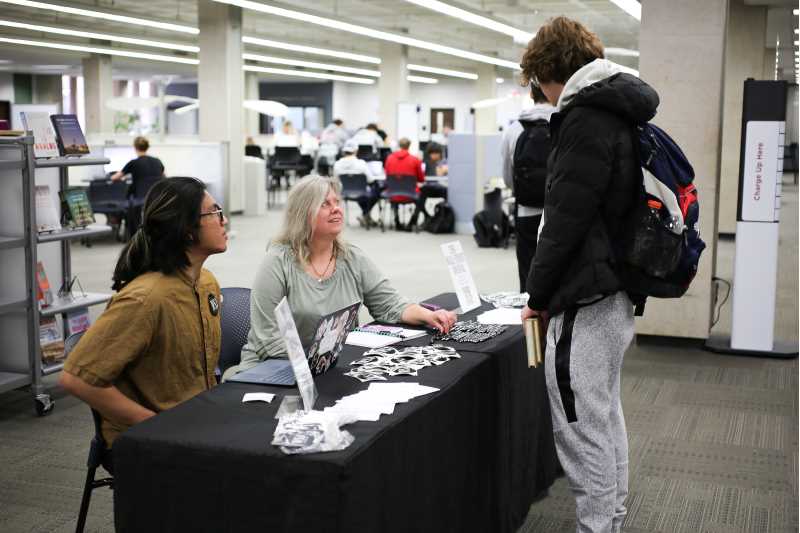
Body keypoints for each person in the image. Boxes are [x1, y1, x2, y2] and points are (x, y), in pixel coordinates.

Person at [519, 16, 659, 533]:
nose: (544, 94)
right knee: (603, 411)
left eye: (541, 82)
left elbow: (564, 222)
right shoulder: (616, 110)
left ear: (553, 69)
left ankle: (599, 524)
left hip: (586, 292)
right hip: (616, 286)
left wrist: (536, 294)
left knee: (581, 421)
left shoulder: (584, 118)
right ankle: (611, 516)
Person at [222, 175, 456, 380]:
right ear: (303, 214)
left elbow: (390, 304)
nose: (336, 209)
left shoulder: (351, 257)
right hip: (273, 369)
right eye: (325, 204)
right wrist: (316, 362)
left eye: (337, 202)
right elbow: (267, 338)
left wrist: (428, 315)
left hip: (326, 368)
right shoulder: (278, 261)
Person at [59, 177, 229, 448]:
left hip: (193, 420)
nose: (224, 220)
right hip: (149, 440)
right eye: (215, 212)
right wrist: (153, 422)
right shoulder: (146, 299)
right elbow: (76, 379)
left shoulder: (206, 282)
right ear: (186, 229)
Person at [501, 85, 555, 291]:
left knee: (528, 271)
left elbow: (507, 176)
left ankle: (530, 320)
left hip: (526, 211)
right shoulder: (567, 123)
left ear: (531, 94)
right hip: (558, 212)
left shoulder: (515, 128)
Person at [333, 139, 380, 227]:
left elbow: (335, 181)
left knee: (360, 193)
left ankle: (366, 216)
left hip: (345, 192)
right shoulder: (361, 163)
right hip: (362, 192)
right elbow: (371, 180)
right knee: (377, 191)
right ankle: (364, 214)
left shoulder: (337, 164)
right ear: (356, 151)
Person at [384, 137, 425, 230]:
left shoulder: (389, 158)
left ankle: (397, 221)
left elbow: (387, 177)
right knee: (422, 196)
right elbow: (421, 179)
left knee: (394, 191)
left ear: (399, 145)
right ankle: (412, 223)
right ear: (409, 146)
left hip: (393, 193)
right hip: (410, 193)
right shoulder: (415, 160)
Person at [410, 143, 449, 228]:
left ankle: (444, 218)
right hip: (428, 188)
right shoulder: (425, 163)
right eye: (432, 153)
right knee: (420, 194)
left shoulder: (444, 162)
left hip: (442, 188)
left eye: (437, 153)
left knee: (448, 194)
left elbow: (441, 174)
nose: (434, 156)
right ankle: (418, 218)